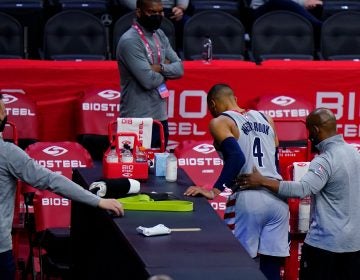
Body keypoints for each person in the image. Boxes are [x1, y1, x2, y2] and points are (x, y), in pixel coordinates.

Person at [0, 94, 124, 280]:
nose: (6, 114)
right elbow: (52, 181)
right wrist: (98, 201)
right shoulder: (8, 154)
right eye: (2, 111)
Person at [238, 108, 360, 280]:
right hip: (354, 246)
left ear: (316, 130)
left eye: (310, 131)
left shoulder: (325, 160)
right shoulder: (355, 154)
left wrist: (262, 181)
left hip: (325, 246)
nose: (309, 136)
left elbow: (302, 189)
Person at [184, 84, 289, 280]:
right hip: (277, 196)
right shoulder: (267, 118)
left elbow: (236, 157)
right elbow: (275, 161)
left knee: (241, 264)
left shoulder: (220, 121)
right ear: (235, 98)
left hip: (249, 197)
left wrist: (215, 190)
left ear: (213, 104)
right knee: (272, 265)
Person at [116, 0, 184, 148]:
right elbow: (148, 80)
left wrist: (159, 68)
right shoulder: (130, 41)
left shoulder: (159, 35)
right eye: (152, 12)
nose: (158, 16)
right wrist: (166, 68)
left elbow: (179, 69)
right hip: (136, 120)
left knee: (159, 170)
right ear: (139, 12)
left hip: (160, 117)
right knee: (134, 170)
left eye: (160, 12)